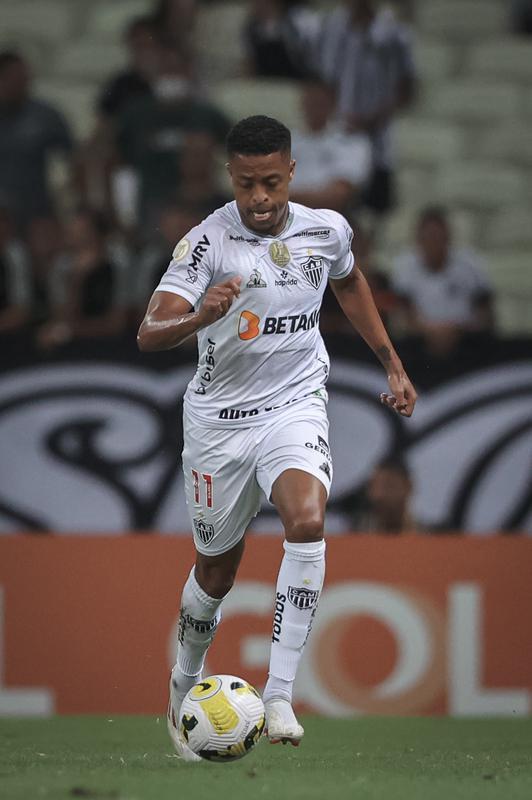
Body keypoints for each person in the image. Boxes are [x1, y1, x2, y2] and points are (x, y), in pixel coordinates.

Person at [137, 115, 417, 759]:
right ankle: (183, 683)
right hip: (218, 425)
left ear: (291, 172)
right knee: (216, 571)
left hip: (294, 405)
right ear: (230, 180)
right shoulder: (207, 244)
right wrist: (201, 315)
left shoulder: (327, 229)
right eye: (244, 185)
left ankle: (280, 693)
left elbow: (348, 280)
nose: (259, 198)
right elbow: (150, 330)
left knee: (308, 519)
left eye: (269, 182)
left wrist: (392, 363)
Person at [316, 0, 417, 214]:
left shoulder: (394, 31)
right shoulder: (333, 28)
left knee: (375, 209)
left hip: (379, 135)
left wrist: (372, 119)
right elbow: (326, 80)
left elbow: (406, 90)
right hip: (343, 130)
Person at [392, 206, 495, 358]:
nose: (433, 244)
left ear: (448, 238)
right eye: (428, 238)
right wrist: (429, 331)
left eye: (438, 237)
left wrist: (456, 330)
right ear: (419, 241)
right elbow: (401, 317)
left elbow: (486, 315)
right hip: (418, 345)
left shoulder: (470, 265)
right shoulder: (405, 268)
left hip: (465, 342)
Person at [0, 51, 73, 230]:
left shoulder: (45, 117)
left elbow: (70, 160)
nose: (22, 84)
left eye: (24, 78)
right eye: (14, 78)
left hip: (37, 213)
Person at [37, 209, 128, 349]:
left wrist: (71, 332)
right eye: (72, 231)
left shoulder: (119, 264)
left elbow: (117, 323)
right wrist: (77, 278)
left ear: (98, 235)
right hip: (73, 347)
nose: (76, 237)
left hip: (114, 347)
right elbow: (62, 317)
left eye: (83, 231)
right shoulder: (61, 267)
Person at [289, 78, 372, 213]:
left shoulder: (351, 142)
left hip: (330, 219)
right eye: (310, 100)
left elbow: (337, 197)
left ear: (333, 104)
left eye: (319, 102)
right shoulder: (286, 142)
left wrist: (284, 197)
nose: (314, 107)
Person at [350, 456, 419, 533]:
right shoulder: (356, 534)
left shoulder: (428, 537)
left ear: (408, 486)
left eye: (389, 486)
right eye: (374, 486)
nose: (379, 495)